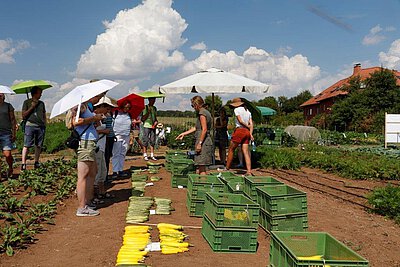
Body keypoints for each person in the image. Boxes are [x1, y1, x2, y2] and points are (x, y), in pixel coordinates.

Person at [72, 92, 105, 217]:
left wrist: (95, 119)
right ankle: (82, 207)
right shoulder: (80, 106)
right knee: (83, 174)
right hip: (85, 143)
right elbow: (76, 122)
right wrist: (93, 118)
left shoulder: (85, 106)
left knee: (92, 172)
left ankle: (87, 202)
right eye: (98, 97)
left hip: (90, 143)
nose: (98, 100)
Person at [176, 96, 213, 175]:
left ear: (197, 104)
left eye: (193, 105)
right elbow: (196, 128)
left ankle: (202, 183)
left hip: (203, 141)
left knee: (202, 166)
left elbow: (204, 129)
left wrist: (200, 143)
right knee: (199, 165)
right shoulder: (205, 112)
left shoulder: (202, 113)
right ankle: (198, 182)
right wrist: (184, 134)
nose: (193, 108)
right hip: (204, 140)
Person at [93, 101, 114, 202]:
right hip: (96, 147)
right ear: (99, 107)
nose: (107, 110)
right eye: (106, 108)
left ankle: (102, 191)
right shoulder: (93, 117)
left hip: (101, 147)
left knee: (103, 170)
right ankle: (95, 194)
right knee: (97, 171)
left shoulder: (100, 118)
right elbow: (93, 131)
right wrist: (104, 131)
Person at [226, 97, 254, 176]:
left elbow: (240, 121)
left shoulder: (236, 110)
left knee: (231, 149)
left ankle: (227, 167)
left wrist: (246, 126)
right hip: (247, 132)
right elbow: (251, 124)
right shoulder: (248, 111)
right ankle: (249, 171)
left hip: (240, 130)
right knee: (245, 151)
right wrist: (250, 133)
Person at [21, 86, 46, 170]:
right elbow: (23, 115)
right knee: (27, 144)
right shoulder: (27, 102)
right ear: (35, 93)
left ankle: (36, 162)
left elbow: (44, 114)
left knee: (38, 145)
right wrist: (32, 106)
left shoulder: (42, 103)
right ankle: (23, 163)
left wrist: (45, 123)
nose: (41, 95)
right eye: (40, 93)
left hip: (40, 126)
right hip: (30, 125)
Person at [111, 100, 132, 178]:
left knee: (123, 154)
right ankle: (115, 171)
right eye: (126, 107)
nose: (127, 109)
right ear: (122, 106)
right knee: (116, 153)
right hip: (117, 135)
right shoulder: (116, 113)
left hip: (126, 135)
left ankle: (120, 170)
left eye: (129, 107)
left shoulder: (129, 115)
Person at [0, 93, 17, 178]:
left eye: (1, 93)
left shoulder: (8, 106)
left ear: (3, 96)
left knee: (7, 154)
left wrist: (14, 133)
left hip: (6, 133)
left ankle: (10, 167)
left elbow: (13, 120)